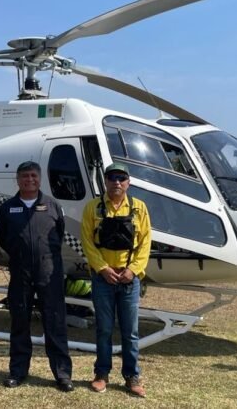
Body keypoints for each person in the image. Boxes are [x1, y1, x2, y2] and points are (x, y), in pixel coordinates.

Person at [0, 161, 74, 393]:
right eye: (24, 176)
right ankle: (18, 372)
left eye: (33, 176)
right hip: (20, 271)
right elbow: (3, 238)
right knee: (20, 321)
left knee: (55, 322)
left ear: (39, 179)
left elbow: (58, 235)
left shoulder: (52, 206)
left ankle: (62, 375)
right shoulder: (7, 208)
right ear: (17, 180)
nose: (29, 180)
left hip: (49, 271)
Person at [80, 162, 151, 398]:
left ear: (128, 182)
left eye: (121, 178)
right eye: (112, 178)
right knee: (104, 329)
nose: (117, 182)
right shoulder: (93, 208)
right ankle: (101, 374)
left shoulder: (139, 208)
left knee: (130, 331)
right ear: (106, 181)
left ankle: (132, 376)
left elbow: (145, 243)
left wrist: (133, 269)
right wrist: (102, 268)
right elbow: (87, 242)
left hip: (129, 279)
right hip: (103, 279)